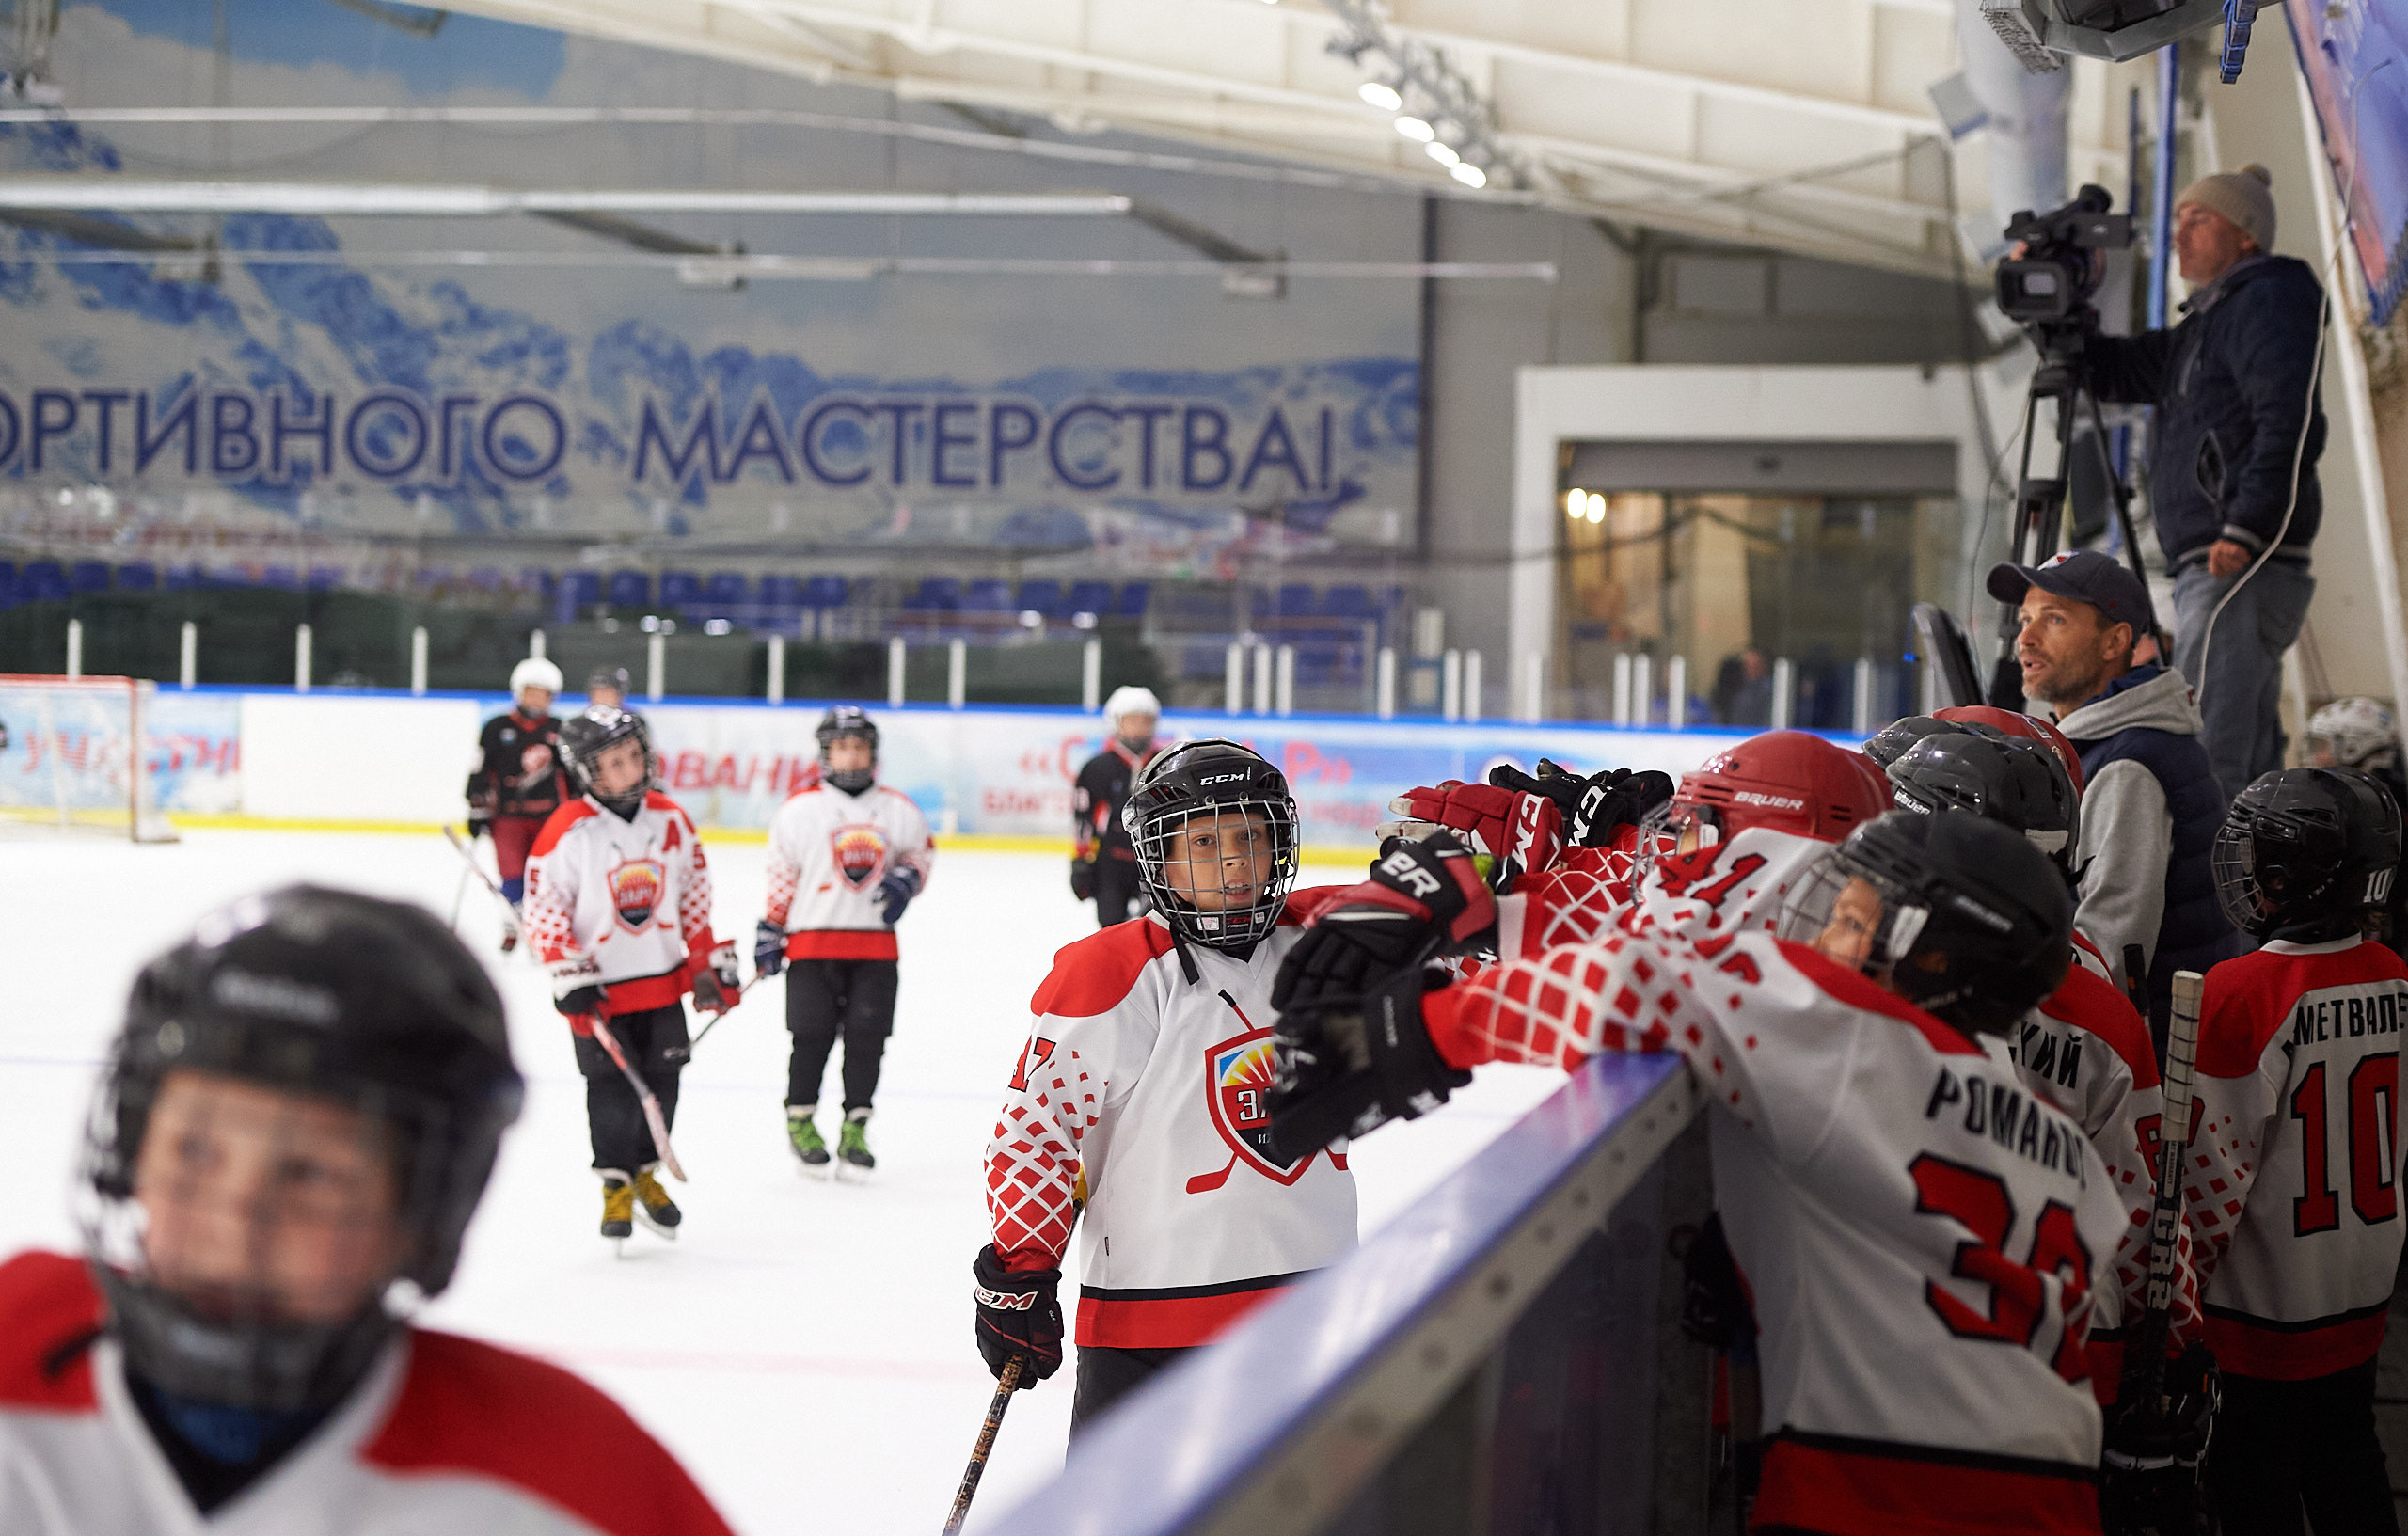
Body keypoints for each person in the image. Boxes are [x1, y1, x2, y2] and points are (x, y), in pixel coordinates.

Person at [1270, 814, 2121, 1533]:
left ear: (1933, 959)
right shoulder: (2059, 1138)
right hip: (2061, 1485)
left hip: (1873, 1488)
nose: (1825, 936)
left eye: (1855, 921)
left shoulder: (1842, 1024)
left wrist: (1407, 1034)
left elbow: (1636, 981)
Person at [0, 885, 734, 1534]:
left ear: (425, 1206)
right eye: (193, 1151)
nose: (237, 1223)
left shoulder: (579, 1489)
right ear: (130, 1149)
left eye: (311, 1172)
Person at [971, 740, 1431, 1430]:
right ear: (1160, 858)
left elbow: (1460, 932)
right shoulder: (1113, 970)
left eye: (1252, 835)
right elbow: (1038, 1128)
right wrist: (1021, 1268)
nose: (1236, 860)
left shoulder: (1324, 943)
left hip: (1315, 1306)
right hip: (1149, 1330)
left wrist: (1464, 873)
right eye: (1206, 840)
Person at [2185, 767, 2408, 1532]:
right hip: (2359, 1281)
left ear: (2291, 878)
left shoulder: (2240, 989)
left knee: (2251, 1483)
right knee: (2349, 1460)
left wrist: (2175, 1303)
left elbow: (2211, 1178)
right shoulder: (2394, 975)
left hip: (2264, 1307)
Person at [2076, 164, 2326, 802]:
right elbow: (2111, 372)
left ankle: (2220, 893)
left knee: (2209, 754)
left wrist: (2246, 525)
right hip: (2222, 560)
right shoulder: (2203, 326)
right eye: (2177, 223)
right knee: (2246, 749)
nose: (2180, 236)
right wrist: (2061, 308)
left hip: (2236, 558)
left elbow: (2288, 418)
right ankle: (2270, 881)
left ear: (2246, 236)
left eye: (2199, 221)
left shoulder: (2268, 299)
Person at [1990, 549, 2235, 1036]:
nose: (2026, 639)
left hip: (2146, 1071)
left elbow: (2110, 956)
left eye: (2054, 619)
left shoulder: (2128, 766)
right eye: (2025, 619)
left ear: (2115, 641)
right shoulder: (2097, 745)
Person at [523, 705, 737, 1244]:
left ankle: (646, 1172)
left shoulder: (669, 817)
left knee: (664, 1087)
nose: (629, 769)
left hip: (661, 984)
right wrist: (568, 973)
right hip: (602, 993)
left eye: (634, 756)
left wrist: (703, 963)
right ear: (588, 771)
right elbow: (544, 908)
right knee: (612, 1092)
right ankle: (615, 1183)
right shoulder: (567, 830)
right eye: (614, 762)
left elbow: (693, 893)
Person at [757, 706, 932, 1174]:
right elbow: (781, 874)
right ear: (826, 753)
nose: (850, 756)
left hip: (875, 949)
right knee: (810, 1037)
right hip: (811, 947)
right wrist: (771, 928)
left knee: (867, 1039)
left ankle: (856, 1124)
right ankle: (801, 1119)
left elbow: (921, 854)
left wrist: (906, 880)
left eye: (859, 747)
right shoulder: (799, 810)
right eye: (841, 747)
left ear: (872, 753)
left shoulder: (898, 808)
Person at [467, 657, 569, 952]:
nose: (535, 698)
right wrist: (476, 808)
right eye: (530, 690)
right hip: (507, 817)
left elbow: (573, 776)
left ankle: (544, 929)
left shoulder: (561, 730)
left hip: (550, 818)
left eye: (542, 692)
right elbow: (481, 770)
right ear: (518, 691)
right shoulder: (496, 728)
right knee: (512, 874)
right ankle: (513, 923)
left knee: (546, 878)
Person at [2309, 697, 2408, 961]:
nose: (2318, 756)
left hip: (2375, 933)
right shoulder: (2394, 791)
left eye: (2323, 746)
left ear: (2352, 746)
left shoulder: (2359, 802)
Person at [1070, 686, 1164, 926]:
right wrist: (1080, 860)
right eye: (1131, 720)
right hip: (1110, 863)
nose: (1139, 728)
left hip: (1156, 864)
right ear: (1115, 723)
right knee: (1111, 927)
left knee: (1156, 928)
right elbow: (1083, 818)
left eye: (1145, 721)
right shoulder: (1097, 768)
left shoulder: (1165, 765)